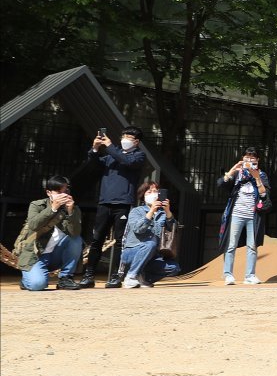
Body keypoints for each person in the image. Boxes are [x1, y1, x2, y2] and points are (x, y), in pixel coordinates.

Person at [80, 125, 147, 288]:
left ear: (136, 141)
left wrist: (109, 146)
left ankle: (116, 275)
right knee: (97, 240)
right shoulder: (111, 154)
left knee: (119, 241)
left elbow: (126, 161)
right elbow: (94, 165)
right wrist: (95, 149)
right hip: (104, 201)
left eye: (129, 137)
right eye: (123, 136)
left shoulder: (138, 155)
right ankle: (88, 275)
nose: (124, 140)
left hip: (123, 203)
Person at [15, 176, 84, 291]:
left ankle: (66, 277)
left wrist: (70, 212)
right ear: (48, 192)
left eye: (65, 191)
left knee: (76, 239)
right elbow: (33, 225)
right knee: (37, 285)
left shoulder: (74, 208)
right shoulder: (37, 205)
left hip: (56, 256)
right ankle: (28, 279)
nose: (63, 195)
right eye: (58, 192)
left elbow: (75, 232)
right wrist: (52, 208)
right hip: (35, 254)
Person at [217, 147, 271, 286]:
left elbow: (264, 195)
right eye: (247, 158)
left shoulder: (262, 175)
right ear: (243, 159)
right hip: (236, 214)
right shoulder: (237, 174)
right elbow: (221, 184)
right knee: (231, 244)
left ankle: (250, 275)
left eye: (252, 158)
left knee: (252, 246)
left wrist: (257, 177)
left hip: (253, 215)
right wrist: (233, 169)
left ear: (257, 160)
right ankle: (228, 274)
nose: (249, 160)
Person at [118, 180, 180, 288]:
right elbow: (138, 229)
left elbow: (173, 230)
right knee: (150, 243)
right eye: (149, 192)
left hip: (152, 256)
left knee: (174, 267)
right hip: (132, 252)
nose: (153, 194)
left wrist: (168, 212)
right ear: (143, 196)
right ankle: (131, 276)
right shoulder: (136, 211)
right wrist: (151, 211)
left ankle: (142, 277)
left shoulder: (163, 213)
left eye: (156, 191)